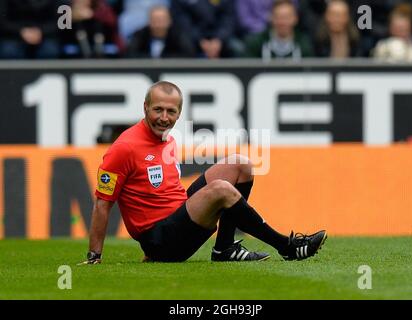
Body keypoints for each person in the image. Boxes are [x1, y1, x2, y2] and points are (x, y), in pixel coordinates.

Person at [81, 81, 327, 264]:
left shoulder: (166, 138)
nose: (164, 118)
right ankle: (287, 246)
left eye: (171, 111)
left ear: (179, 112)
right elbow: (103, 204)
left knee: (241, 165)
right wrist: (94, 256)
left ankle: (224, 249)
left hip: (178, 217)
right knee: (221, 190)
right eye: (157, 110)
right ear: (145, 107)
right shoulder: (124, 147)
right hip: (163, 240)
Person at [243, 0, 313, 61]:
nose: (282, 22)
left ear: (295, 18)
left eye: (286, 17)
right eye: (279, 17)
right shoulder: (257, 43)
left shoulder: (304, 44)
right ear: (271, 18)